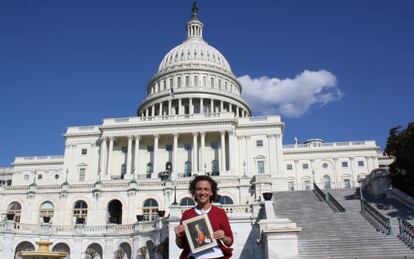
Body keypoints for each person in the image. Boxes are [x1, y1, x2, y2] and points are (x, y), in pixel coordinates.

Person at [175, 175, 233, 259]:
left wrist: (223, 237)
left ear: (211, 192)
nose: (202, 193)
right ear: (194, 192)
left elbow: (229, 242)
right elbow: (181, 245)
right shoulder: (187, 214)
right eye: (199, 189)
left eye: (206, 189)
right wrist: (177, 235)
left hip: (216, 256)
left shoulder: (220, 213)